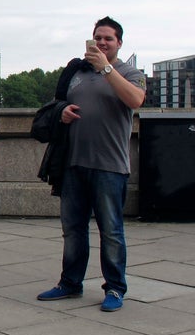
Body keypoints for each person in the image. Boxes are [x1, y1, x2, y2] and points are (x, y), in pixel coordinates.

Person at [36, 16, 146, 312]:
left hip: (110, 166)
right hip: (73, 164)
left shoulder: (129, 73)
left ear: (119, 43)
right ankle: (70, 283)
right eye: (97, 38)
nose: (101, 43)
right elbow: (57, 103)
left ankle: (115, 288)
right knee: (73, 229)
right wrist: (62, 113)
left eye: (108, 38)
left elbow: (136, 100)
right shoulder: (77, 73)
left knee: (111, 231)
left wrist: (106, 68)